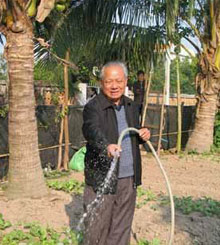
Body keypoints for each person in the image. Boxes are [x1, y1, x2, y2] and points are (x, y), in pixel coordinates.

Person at [82, 61, 150, 245]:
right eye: (109, 81)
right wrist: (106, 146)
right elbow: (91, 130)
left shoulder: (131, 105)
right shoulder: (93, 107)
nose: (114, 86)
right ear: (101, 82)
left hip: (129, 177)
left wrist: (143, 133)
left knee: (122, 226)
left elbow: (134, 131)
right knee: (96, 228)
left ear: (126, 81)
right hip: (102, 177)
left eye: (119, 81)